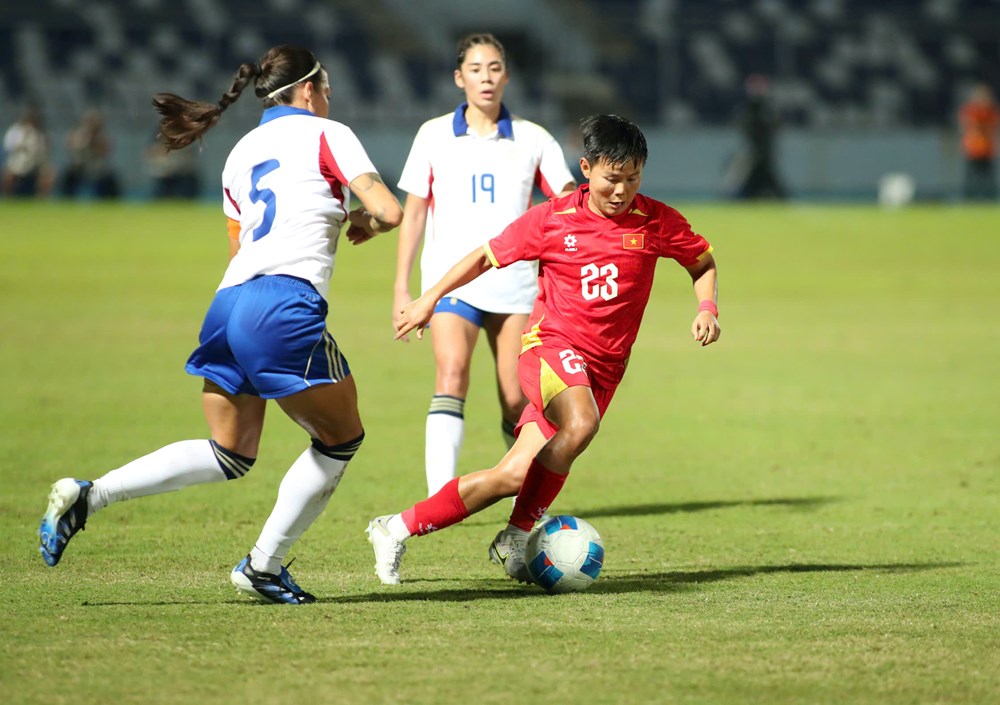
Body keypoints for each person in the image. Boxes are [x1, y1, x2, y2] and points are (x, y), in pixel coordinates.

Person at [37, 45, 403, 604]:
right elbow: (391, 209)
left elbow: (237, 246)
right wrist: (366, 223)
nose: (328, 100)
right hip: (282, 303)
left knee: (229, 450)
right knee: (342, 436)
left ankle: (92, 495)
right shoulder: (330, 133)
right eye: (326, 91)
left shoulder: (240, 150)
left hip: (229, 301)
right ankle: (263, 565)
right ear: (310, 90)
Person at [366, 114, 720, 585]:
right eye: (612, 179)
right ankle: (517, 534)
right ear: (586, 168)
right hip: (550, 348)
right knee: (581, 423)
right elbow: (482, 256)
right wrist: (429, 299)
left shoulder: (655, 221)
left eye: (632, 178)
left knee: (512, 475)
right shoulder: (553, 220)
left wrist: (707, 307)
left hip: (604, 369)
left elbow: (701, 261)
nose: (622, 190)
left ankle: (394, 527)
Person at [394, 32, 576, 497]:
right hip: (451, 281)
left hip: (516, 286)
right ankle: (441, 497)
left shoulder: (534, 139)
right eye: (476, 69)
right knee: (451, 371)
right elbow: (414, 212)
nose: (486, 78)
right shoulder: (433, 135)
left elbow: (569, 205)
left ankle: (518, 485)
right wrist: (402, 287)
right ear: (459, 78)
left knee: (517, 398)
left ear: (507, 76)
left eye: (494, 68)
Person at [731, 74, 785, 200]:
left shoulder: (769, 105)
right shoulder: (748, 107)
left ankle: (748, 196)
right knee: (762, 175)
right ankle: (779, 197)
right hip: (754, 149)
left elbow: (776, 125)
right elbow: (743, 126)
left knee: (763, 175)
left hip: (765, 148)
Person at [60, 109, 120, 199]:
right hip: (79, 167)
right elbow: (69, 146)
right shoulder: (78, 133)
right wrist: (84, 140)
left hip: (96, 168)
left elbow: (106, 151)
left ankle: (107, 201)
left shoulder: (102, 136)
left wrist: (95, 142)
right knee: (67, 176)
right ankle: (66, 199)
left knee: (110, 178)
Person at [2, 105, 55, 197]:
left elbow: (45, 149)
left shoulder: (40, 132)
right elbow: (9, 146)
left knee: (49, 173)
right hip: (19, 160)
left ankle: (41, 198)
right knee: (9, 174)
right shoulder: (16, 130)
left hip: (36, 160)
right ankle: (7, 197)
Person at [958, 83, 999, 201]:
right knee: (971, 178)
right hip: (973, 149)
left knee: (988, 178)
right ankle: (969, 200)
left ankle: (989, 200)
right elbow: (967, 125)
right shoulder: (970, 110)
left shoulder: (991, 111)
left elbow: (993, 127)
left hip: (987, 150)